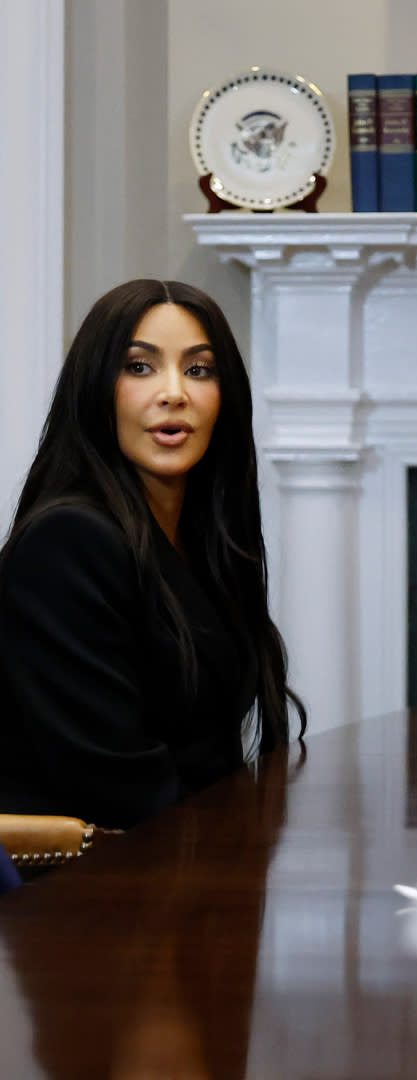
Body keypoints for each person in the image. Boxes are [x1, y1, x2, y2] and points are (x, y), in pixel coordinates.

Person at [0, 279, 305, 828]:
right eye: (139, 367)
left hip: (189, 868)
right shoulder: (67, 540)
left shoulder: (205, 544)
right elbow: (114, 786)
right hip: (90, 890)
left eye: (199, 369)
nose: (174, 393)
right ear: (96, 387)